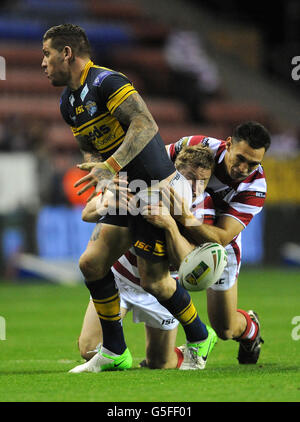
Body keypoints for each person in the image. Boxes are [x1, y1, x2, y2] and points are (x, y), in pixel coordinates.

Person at [42, 24, 216, 372]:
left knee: (155, 281)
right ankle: (115, 352)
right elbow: (89, 149)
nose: (42, 63)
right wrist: (101, 173)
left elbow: (145, 124)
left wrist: (111, 165)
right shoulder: (68, 103)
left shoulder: (107, 82)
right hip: (124, 189)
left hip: (154, 188)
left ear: (67, 53)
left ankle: (200, 335)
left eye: (46, 54)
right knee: (91, 263)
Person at [69, 144, 216, 372]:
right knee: (88, 349)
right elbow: (86, 213)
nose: (195, 187)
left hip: (162, 289)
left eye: (203, 180)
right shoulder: (143, 186)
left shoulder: (202, 209)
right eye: (189, 178)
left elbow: (185, 264)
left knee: (160, 363)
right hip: (122, 278)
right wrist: (107, 203)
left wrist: (171, 227)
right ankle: (116, 352)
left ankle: (200, 336)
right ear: (175, 174)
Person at [166, 121, 271, 364]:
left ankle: (250, 329)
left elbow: (222, 237)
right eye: (240, 158)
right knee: (156, 280)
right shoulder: (197, 146)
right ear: (228, 144)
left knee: (224, 329)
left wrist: (183, 217)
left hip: (217, 247)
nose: (243, 168)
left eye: (253, 163)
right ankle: (163, 353)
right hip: (179, 229)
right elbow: (156, 158)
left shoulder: (254, 187)